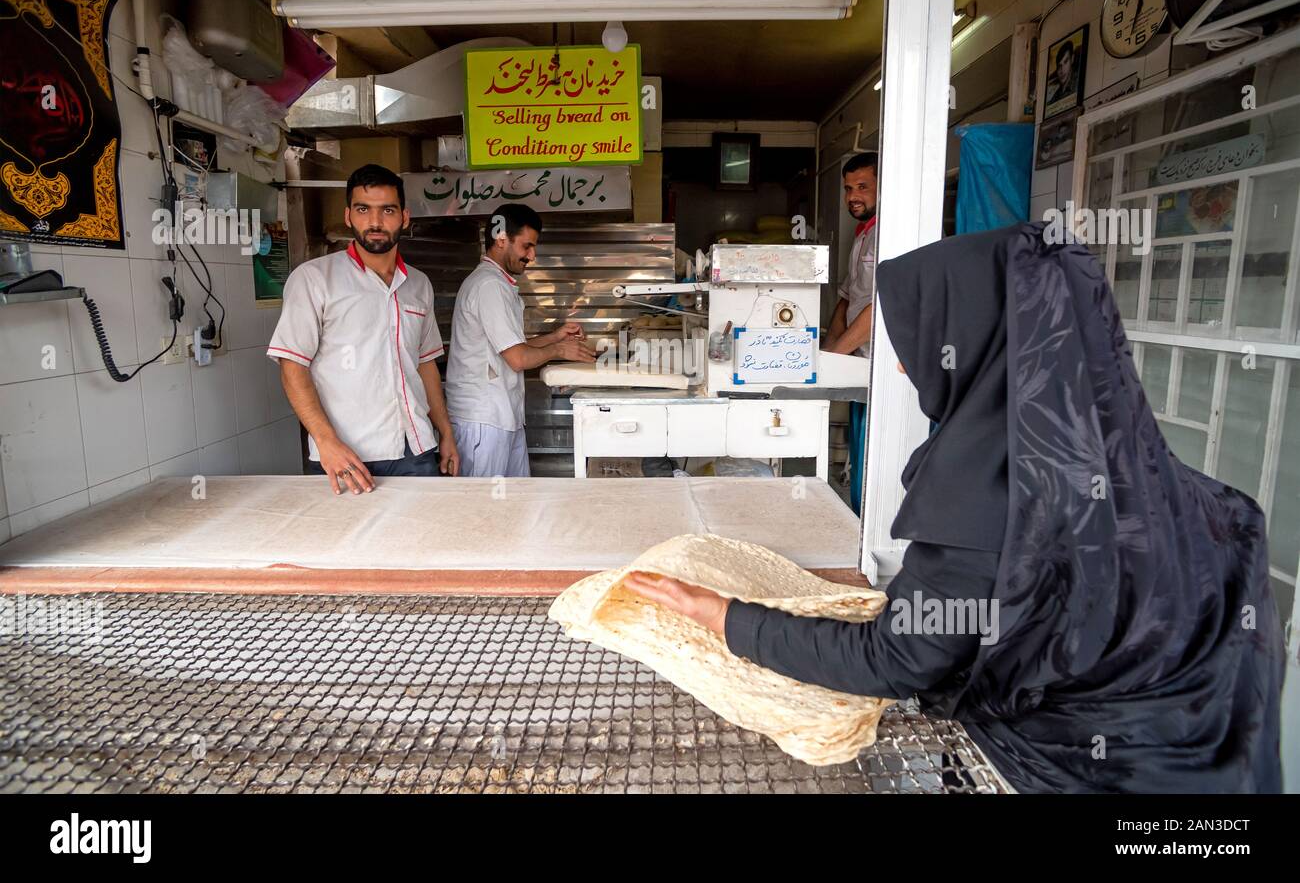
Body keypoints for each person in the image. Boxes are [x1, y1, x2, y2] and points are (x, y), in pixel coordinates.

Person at [623, 222, 1284, 793]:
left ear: (976, 335)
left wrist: (722, 615)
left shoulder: (992, 487)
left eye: (919, 336)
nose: (907, 365)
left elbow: (899, 660)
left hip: (1087, 769)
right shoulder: (1130, 458)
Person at [268, 164, 459, 494]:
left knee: (422, 541)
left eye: (387, 210)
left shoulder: (418, 284)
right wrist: (325, 441)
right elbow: (292, 366)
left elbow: (425, 364)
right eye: (363, 209)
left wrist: (445, 432)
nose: (375, 222)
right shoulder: (314, 279)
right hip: (345, 454)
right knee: (348, 545)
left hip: (416, 452)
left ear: (404, 217)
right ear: (348, 216)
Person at [445, 203, 594, 477]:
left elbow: (512, 348)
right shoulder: (489, 286)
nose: (532, 256)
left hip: (501, 416)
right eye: (527, 246)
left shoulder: (498, 284)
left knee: (512, 504)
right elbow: (518, 359)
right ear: (501, 239)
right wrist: (560, 348)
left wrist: (555, 335)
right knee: (485, 511)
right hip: (484, 420)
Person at [824, 151, 878, 515]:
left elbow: (882, 307)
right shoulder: (863, 235)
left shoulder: (896, 233)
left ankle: (875, 542)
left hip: (884, 365)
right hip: (860, 365)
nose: (852, 196)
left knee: (879, 461)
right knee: (860, 455)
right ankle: (858, 528)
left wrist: (835, 358)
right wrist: (826, 355)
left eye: (862, 187)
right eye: (848, 188)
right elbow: (848, 298)